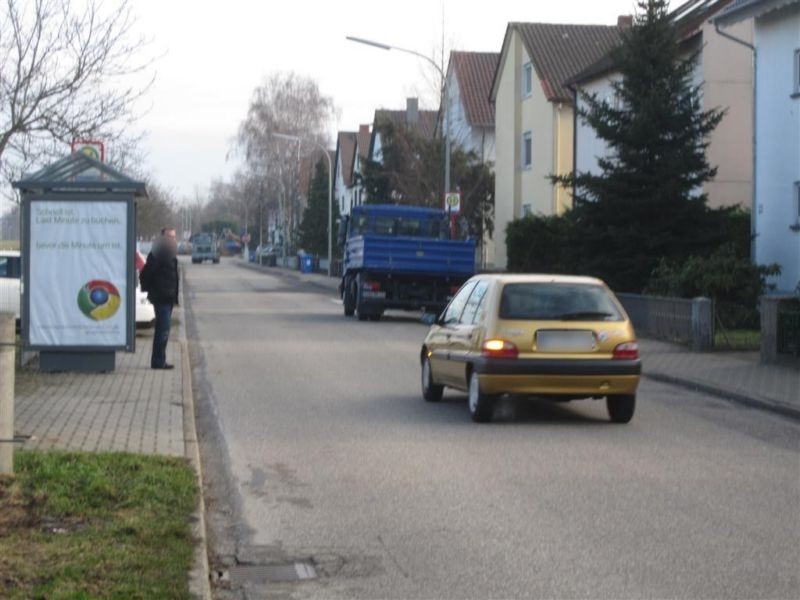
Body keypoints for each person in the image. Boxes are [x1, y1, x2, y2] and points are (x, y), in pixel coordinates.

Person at [140, 228, 179, 370]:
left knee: (164, 330)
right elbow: (146, 273)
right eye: (169, 236)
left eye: (174, 237)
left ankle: (160, 359)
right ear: (162, 238)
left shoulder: (170, 253)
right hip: (161, 297)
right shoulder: (158, 253)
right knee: (162, 331)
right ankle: (158, 361)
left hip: (168, 297)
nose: (172, 239)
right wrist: (151, 290)